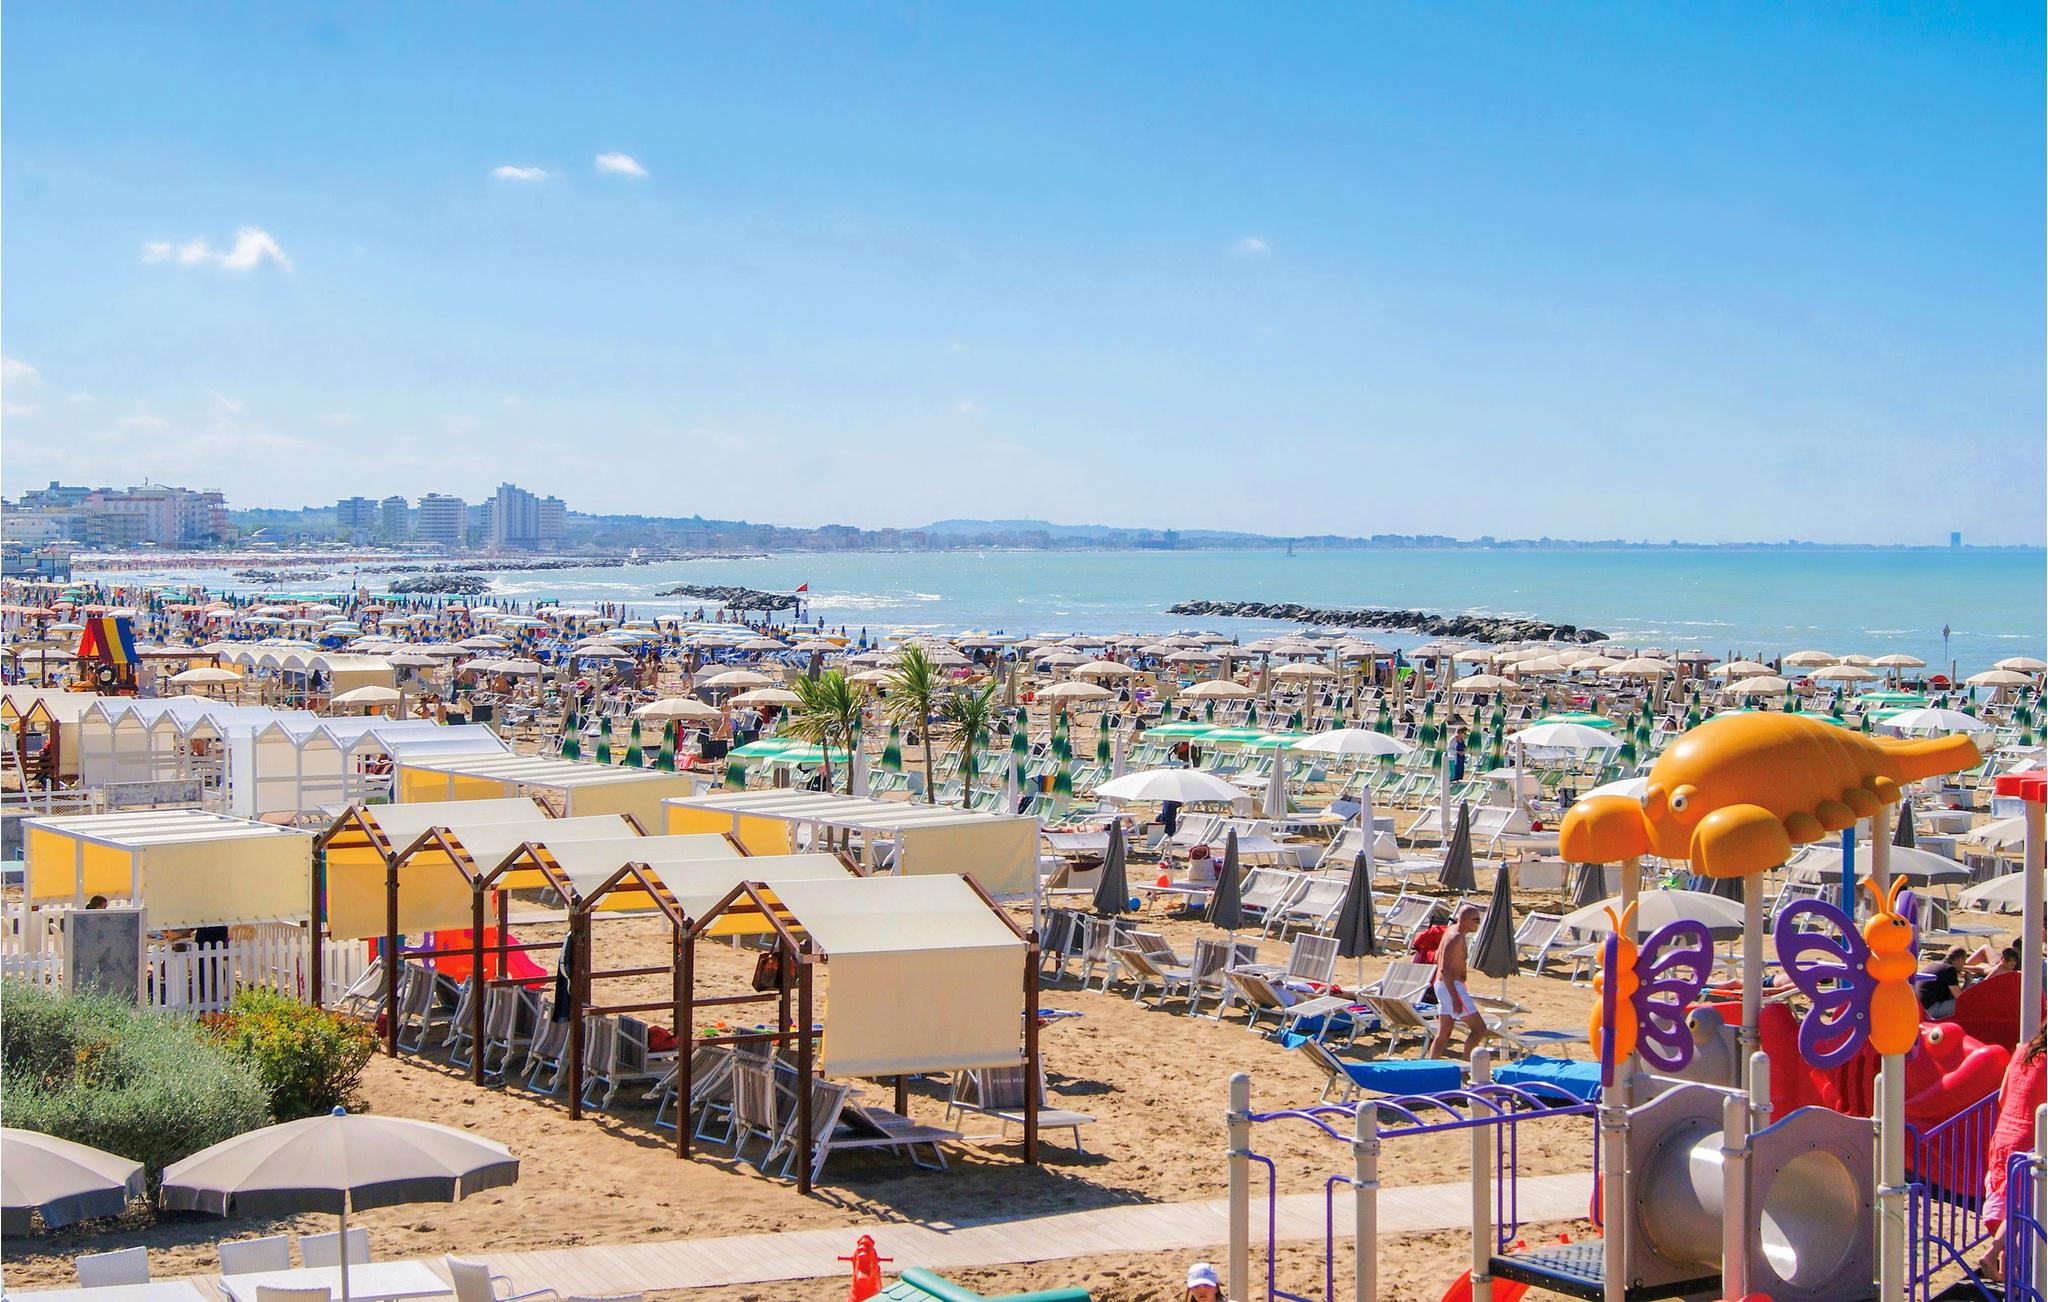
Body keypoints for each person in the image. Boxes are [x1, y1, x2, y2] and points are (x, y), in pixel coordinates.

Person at [1979, 1027, 2048, 1276]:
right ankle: (1992, 1253)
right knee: (2023, 1206)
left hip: (2003, 1135)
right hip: (2029, 1137)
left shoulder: (2022, 1051)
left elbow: (2002, 1097)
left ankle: (2011, 1273)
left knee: (2011, 1203)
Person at [1428, 904, 1490, 1059]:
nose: (1478, 923)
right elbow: (1445, 969)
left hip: (1442, 986)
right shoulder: (1455, 937)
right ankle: (1466, 1066)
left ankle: (1431, 1065)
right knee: (1479, 1029)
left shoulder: (1451, 931)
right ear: (1466, 921)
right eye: (1476, 920)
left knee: (1444, 1032)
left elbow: (1436, 957)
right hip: (1451, 987)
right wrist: (1454, 997)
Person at [1919, 947, 1968, 1019]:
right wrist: (1968, 981)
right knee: (1967, 1004)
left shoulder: (1935, 964)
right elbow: (1960, 997)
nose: (1964, 964)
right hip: (1930, 1010)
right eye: (1964, 960)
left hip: (1920, 1007)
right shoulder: (1950, 969)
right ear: (1960, 959)